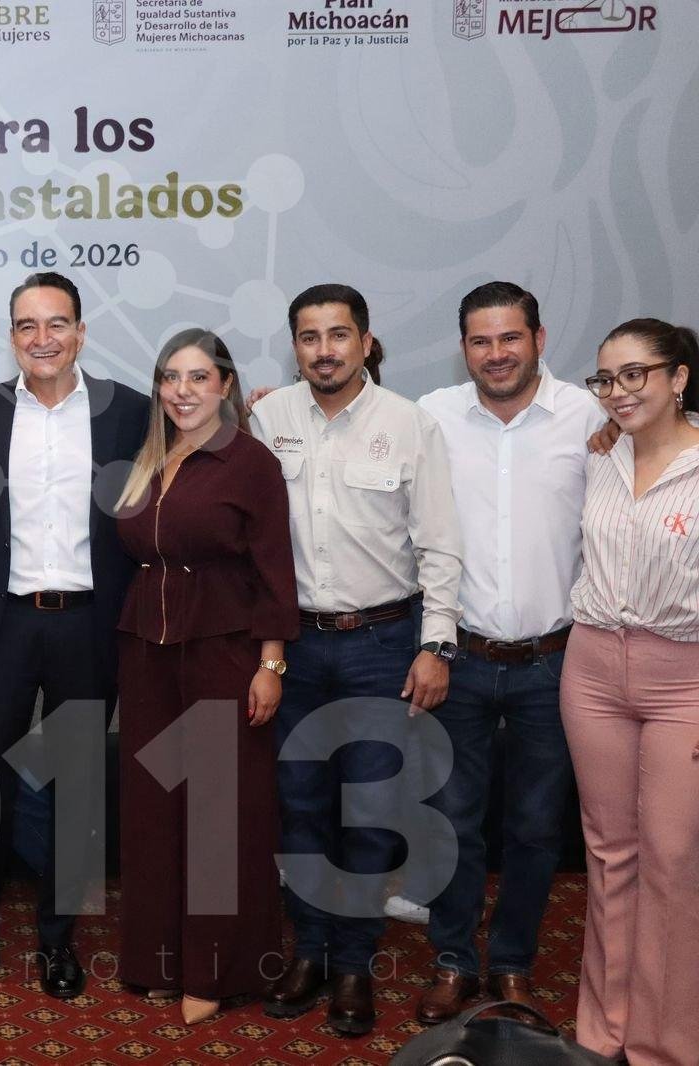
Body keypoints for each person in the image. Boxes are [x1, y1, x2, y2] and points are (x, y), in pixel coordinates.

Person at [251, 284, 462, 1038]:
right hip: (296, 646)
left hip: (382, 643)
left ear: (366, 342)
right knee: (301, 807)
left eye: (338, 335)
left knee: (370, 813)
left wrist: (436, 645)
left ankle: (352, 964)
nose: (324, 350)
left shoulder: (410, 424)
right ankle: (309, 951)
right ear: (294, 347)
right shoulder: (268, 420)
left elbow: (440, 547)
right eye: (309, 337)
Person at [0, 272, 151, 1002]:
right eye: (27, 325)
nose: (43, 338)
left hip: (89, 623)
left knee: (75, 788)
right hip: (2, 624)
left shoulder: (130, 411)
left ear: (81, 332)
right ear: (11, 337)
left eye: (57, 323)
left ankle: (58, 941)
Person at [411, 282, 605, 1025]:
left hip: (555, 663)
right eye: (481, 341)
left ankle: (514, 962)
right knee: (453, 820)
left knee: (535, 827)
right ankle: (455, 961)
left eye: (510, 338)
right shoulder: (433, 416)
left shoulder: (588, 419)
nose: (496, 354)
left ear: (539, 339)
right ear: (463, 348)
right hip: (457, 658)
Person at [113, 329, 298, 1024]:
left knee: (219, 814)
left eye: (197, 377)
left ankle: (214, 970)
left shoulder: (250, 462)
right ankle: (160, 959)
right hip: (149, 654)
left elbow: (275, 570)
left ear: (225, 385)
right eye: (171, 377)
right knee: (154, 809)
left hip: (224, 653)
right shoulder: (150, 457)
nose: (182, 390)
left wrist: (271, 664)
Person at [562, 317, 699, 1066]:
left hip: (685, 678)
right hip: (591, 670)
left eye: (635, 374)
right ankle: (603, 1033)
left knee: (673, 862)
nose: (618, 391)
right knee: (609, 854)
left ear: (679, 377)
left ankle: (663, 1046)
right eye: (606, 378)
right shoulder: (601, 457)